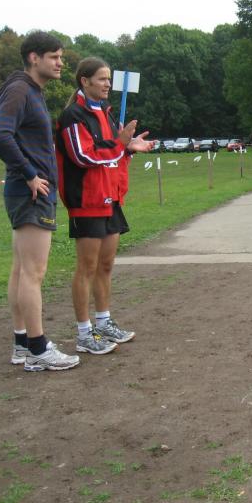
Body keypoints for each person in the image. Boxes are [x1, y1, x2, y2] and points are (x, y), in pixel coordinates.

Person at [0, 31, 80, 371]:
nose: (60, 63)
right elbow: (0, 133)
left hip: (27, 191)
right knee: (33, 272)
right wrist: (30, 173)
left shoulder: (29, 90)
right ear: (34, 57)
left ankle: (22, 344)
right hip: (31, 192)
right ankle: (38, 349)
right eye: (54, 57)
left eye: (61, 57)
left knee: (21, 270)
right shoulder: (19, 90)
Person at [55, 57, 155, 355]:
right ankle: (84, 333)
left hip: (111, 198)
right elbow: (83, 156)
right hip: (87, 200)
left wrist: (129, 148)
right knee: (87, 267)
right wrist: (119, 144)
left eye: (109, 79)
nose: (107, 84)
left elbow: (111, 155)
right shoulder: (73, 116)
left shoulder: (107, 113)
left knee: (106, 265)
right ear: (84, 81)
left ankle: (103, 321)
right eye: (101, 79)